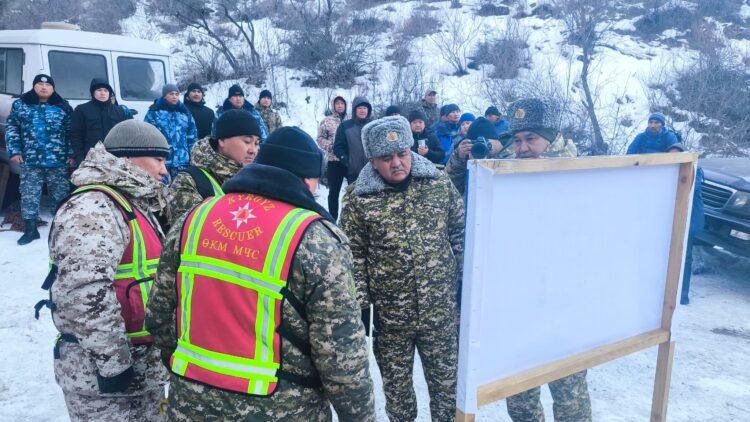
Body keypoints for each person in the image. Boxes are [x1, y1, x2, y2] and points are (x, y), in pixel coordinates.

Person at [146, 127, 376, 421]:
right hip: (281, 408)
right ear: (307, 179)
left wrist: (187, 372)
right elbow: (341, 353)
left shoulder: (195, 218)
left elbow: (159, 314)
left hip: (190, 404)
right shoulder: (313, 237)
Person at [43, 120, 170, 421]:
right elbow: (84, 292)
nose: (164, 170)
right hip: (103, 380)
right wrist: (114, 365)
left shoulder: (130, 202)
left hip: (143, 369)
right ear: (127, 158)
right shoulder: (93, 207)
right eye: (158, 159)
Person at [339, 116, 464, 422]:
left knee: (448, 392)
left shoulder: (437, 183)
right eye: (386, 158)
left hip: (441, 313)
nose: (397, 163)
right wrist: (361, 306)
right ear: (372, 160)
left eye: (402, 154)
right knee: (398, 396)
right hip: (391, 319)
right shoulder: (358, 198)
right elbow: (353, 254)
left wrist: (466, 284)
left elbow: (460, 233)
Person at [500, 98, 590, 422]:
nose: (522, 148)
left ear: (551, 139)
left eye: (531, 139)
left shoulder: (582, 177)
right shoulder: (505, 173)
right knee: (520, 399)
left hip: (564, 307)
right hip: (520, 306)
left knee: (570, 397)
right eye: (517, 140)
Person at [6, 74, 73, 245]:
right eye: (40, 85)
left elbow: (71, 131)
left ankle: (61, 229)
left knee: (60, 195)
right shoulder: (21, 105)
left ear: (53, 88)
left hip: (58, 160)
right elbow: (12, 127)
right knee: (29, 194)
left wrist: (71, 154)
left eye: (48, 85)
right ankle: (30, 229)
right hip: (30, 159)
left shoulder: (63, 106)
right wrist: (15, 150)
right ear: (34, 87)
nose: (44, 88)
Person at [166, 109, 261, 227]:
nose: (253, 150)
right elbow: (185, 231)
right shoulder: (189, 181)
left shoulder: (257, 179)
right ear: (222, 140)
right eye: (247, 141)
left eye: (256, 143)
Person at [665, 143, 704, 305]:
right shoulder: (666, 170)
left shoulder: (695, 170)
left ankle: (683, 295)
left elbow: (690, 188)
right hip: (672, 220)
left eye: (677, 155)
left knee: (684, 257)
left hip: (690, 220)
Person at [70, 78, 132, 166]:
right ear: (93, 92)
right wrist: (79, 157)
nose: (103, 93)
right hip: (90, 158)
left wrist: (126, 155)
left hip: (115, 157)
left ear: (110, 93)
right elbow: (76, 135)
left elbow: (126, 135)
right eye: (99, 90)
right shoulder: (82, 110)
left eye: (106, 90)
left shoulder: (119, 111)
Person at [144, 83, 198, 179]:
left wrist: (192, 157)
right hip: (162, 161)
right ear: (164, 95)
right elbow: (147, 136)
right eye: (171, 94)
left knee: (182, 187)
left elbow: (192, 137)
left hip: (182, 161)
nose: (174, 96)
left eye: (177, 94)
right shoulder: (154, 113)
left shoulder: (185, 113)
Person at [445, 117, 508, 195]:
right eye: (476, 143)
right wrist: (459, 159)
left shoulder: (511, 158)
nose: (480, 147)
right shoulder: (466, 156)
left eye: (485, 142)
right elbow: (451, 189)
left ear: (497, 141)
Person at [316, 95, 348, 220]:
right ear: (333, 105)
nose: (340, 105)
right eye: (337, 103)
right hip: (334, 161)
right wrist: (331, 146)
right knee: (334, 192)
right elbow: (320, 139)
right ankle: (332, 220)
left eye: (342, 103)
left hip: (349, 161)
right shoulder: (326, 121)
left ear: (345, 105)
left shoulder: (350, 120)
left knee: (353, 190)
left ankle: (350, 219)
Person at [333, 96, 372, 184]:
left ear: (368, 110)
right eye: (359, 108)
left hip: (373, 171)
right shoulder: (345, 126)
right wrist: (347, 161)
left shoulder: (373, 125)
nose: (362, 111)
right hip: (353, 173)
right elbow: (338, 147)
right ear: (354, 110)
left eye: (365, 108)